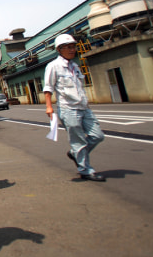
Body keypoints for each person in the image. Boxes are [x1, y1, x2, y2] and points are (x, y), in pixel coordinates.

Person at [43, 34, 106, 182]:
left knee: (97, 136)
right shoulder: (53, 66)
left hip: (84, 108)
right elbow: (48, 88)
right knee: (79, 142)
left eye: (73, 46)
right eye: (69, 47)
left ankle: (74, 153)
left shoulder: (75, 66)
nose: (72, 50)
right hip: (68, 109)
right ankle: (85, 170)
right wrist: (49, 107)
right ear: (60, 49)